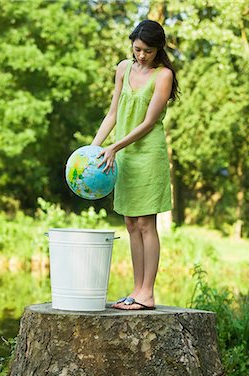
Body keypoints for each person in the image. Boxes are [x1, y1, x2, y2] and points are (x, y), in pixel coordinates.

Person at [92, 20, 180, 310]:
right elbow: (113, 112)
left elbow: (148, 122)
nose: (142, 56)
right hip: (124, 155)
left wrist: (114, 146)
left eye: (148, 51)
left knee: (146, 224)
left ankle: (148, 294)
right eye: (138, 49)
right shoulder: (123, 68)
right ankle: (136, 290)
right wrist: (93, 149)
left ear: (159, 50)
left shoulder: (163, 75)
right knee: (130, 223)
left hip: (147, 154)